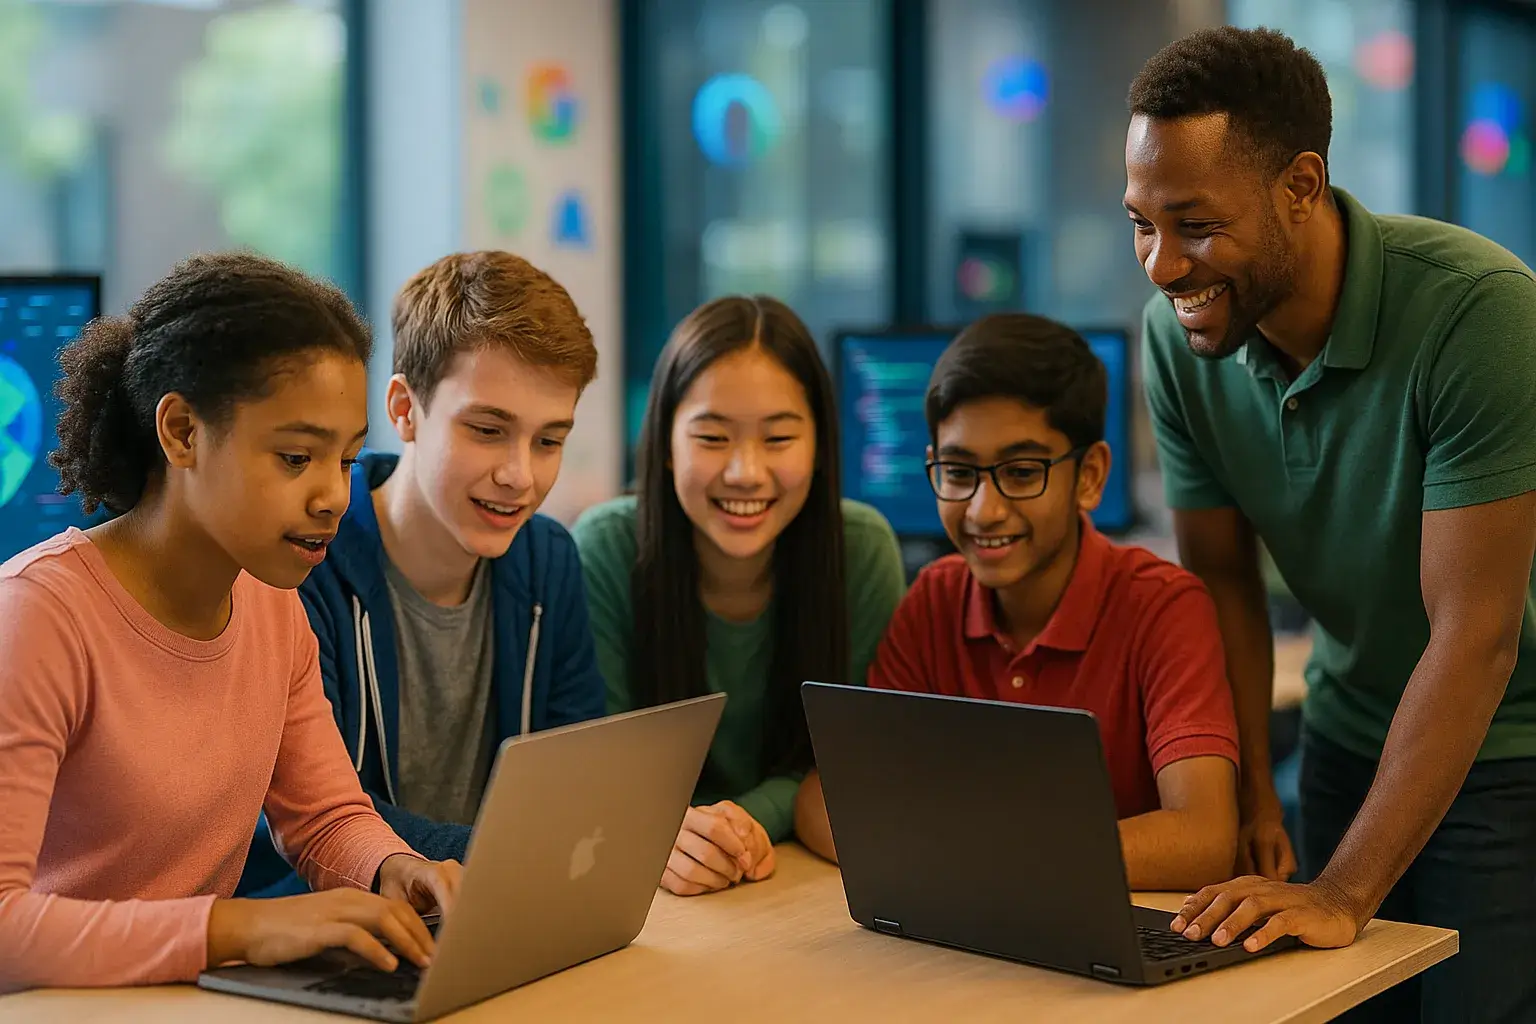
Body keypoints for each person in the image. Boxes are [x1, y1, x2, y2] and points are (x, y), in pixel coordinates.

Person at [1124, 26, 1536, 1022]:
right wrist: (1256, 794)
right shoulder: (1178, 344)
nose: (1162, 267)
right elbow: (1220, 579)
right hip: (1348, 738)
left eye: (1194, 225)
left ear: (1301, 186)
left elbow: (1474, 638)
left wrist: (1344, 888)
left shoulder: (1478, 312)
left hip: (1505, 749)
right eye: (1140, 223)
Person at [0, 254, 460, 992]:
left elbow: (325, 815)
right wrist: (235, 928)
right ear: (181, 432)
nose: (333, 497)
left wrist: (392, 867)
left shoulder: (275, 605)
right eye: (294, 457)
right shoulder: (37, 616)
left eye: (344, 459)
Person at [794, 314, 1240, 889]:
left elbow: (1202, 840)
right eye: (958, 472)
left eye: (1022, 472)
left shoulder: (1163, 606)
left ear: (1090, 476)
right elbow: (826, 793)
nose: (984, 510)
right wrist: (949, 858)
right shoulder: (935, 598)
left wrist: (979, 857)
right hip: (981, 939)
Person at [237, 251, 607, 897]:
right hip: (323, 924)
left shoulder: (548, 561)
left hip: (494, 913)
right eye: (489, 430)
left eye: (549, 441)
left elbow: (577, 782)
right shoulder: (301, 565)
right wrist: (529, 850)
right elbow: (321, 815)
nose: (520, 475)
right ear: (405, 410)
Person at [571, 295, 906, 897]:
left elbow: (853, 760)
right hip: (650, 885)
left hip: (800, 885)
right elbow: (600, 766)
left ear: (820, 445)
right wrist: (667, 831)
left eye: (778, 438)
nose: (746, 472)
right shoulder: (606, 547)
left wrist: (745, 822)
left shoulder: (861, 549)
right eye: (712, 437)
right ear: (666, 444)